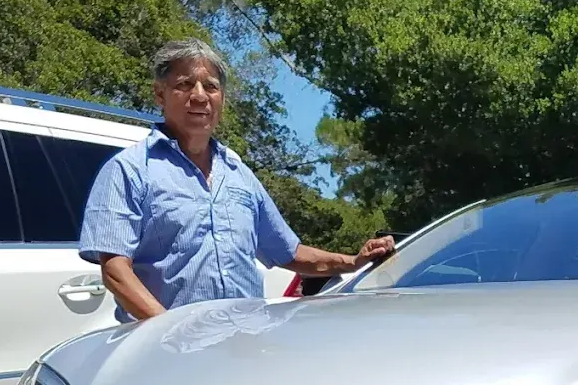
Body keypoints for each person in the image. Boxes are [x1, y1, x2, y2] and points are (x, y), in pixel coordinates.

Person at [78, 38, 393, 322]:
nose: (199, 96)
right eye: (185, 85)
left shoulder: (238, 174)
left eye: (211, 87)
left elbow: (290, 253)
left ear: (222, 100)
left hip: (241, 349)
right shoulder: (130, 170)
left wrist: (353, 261)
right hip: (166, 352)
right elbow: (115, 270)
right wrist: (167, 329)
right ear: (160, 95)